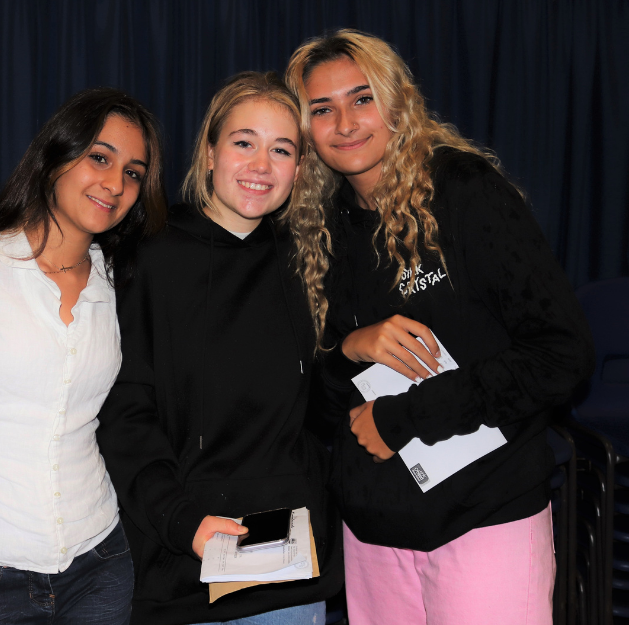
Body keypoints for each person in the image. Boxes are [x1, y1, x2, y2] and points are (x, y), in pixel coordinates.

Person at [285, 29, 594, 625]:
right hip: (374, 534)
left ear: (398, 102)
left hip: (487, 517)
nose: (344, 122)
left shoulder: (465, 194)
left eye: (362, 98)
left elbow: (563, 354)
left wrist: (406, 419)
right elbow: (318, 408)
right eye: (322, 109)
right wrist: (350, 350)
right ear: (305, 129)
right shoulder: (313, 232)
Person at [96, 72, 343, 625]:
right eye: (243, 142)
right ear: (209, 152)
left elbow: (323, 414)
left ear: (299, 169)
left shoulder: (310, 260)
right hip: (180, 562)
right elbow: (125, 418)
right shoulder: (148, 257)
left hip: (287, 573)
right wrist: (184, 522)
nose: (261, 165)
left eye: (281, 149)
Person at [0, 88, 166, 625]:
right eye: (99, 157)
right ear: (54, 157)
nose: (115, 185)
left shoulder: (122, 284)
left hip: (99, 560)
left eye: (134, 173)